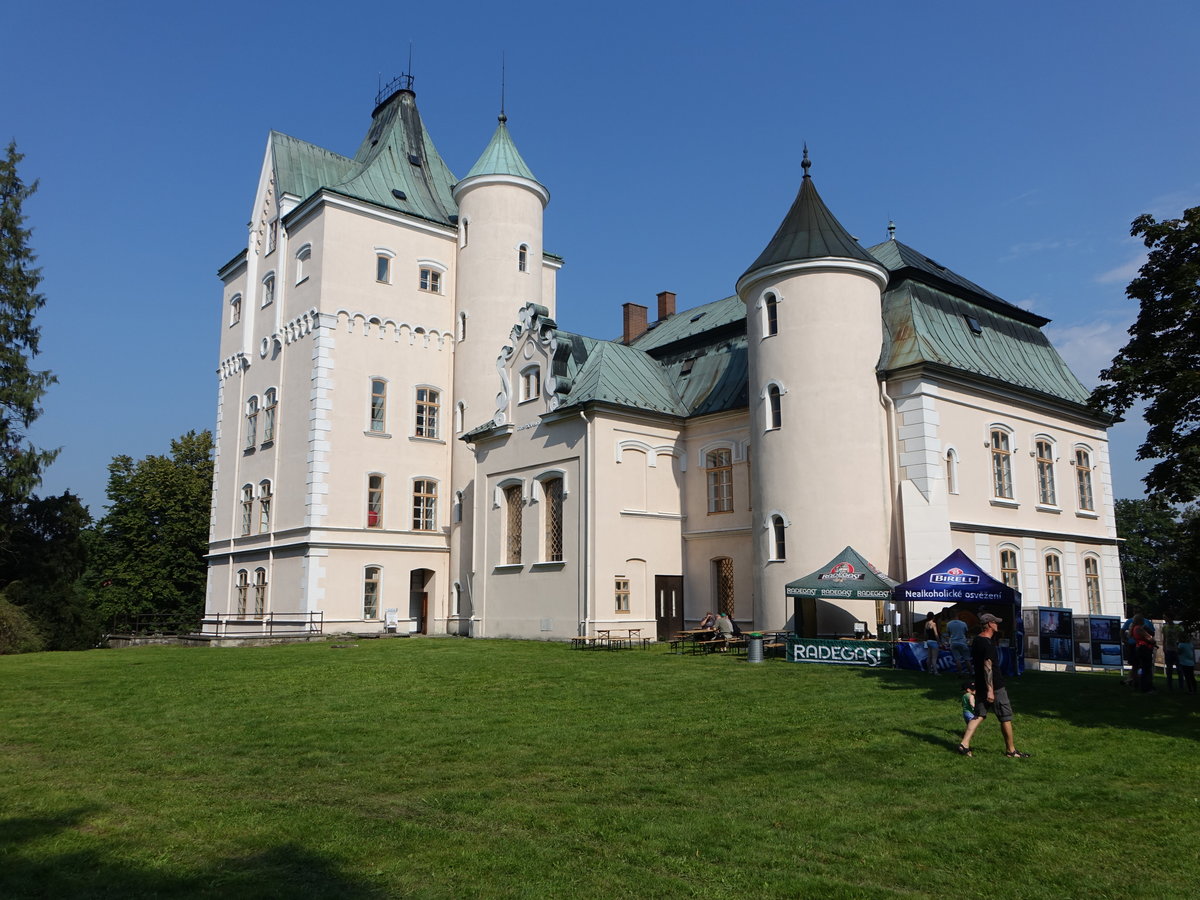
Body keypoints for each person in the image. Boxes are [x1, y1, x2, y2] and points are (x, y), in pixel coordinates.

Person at [957, 613, 1030, 758]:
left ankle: (964, 744)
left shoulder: (977, 640)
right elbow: (987, 666)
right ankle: (1011, 750)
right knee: (1005, 717)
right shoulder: (987, 644)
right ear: (990, 624)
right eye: (995, 622)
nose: (997, 624)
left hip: (980, 684)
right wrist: (991, 690)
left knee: (979, 714)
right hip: (994, 686)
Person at [1131, 614, 1157, 693]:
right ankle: (1147, 687)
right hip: (1145, 648)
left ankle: (1141, 685)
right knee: (1147, 669)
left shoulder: (1134, 628)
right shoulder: (1139, 628)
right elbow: (1150, 638)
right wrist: (1152, 640)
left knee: (1142, 668)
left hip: (1139, 647)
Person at [1162, 618, 1183, 691]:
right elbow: (1164, 638)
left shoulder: (1177, 627)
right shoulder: (1165, 627)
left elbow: (1181, 637)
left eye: (1166, 617)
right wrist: (1164, 647)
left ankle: (1181, 685)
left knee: (1179, 668)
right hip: (1168, 649)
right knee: (1169, 668)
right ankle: (1169, 685)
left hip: (1176, 649)